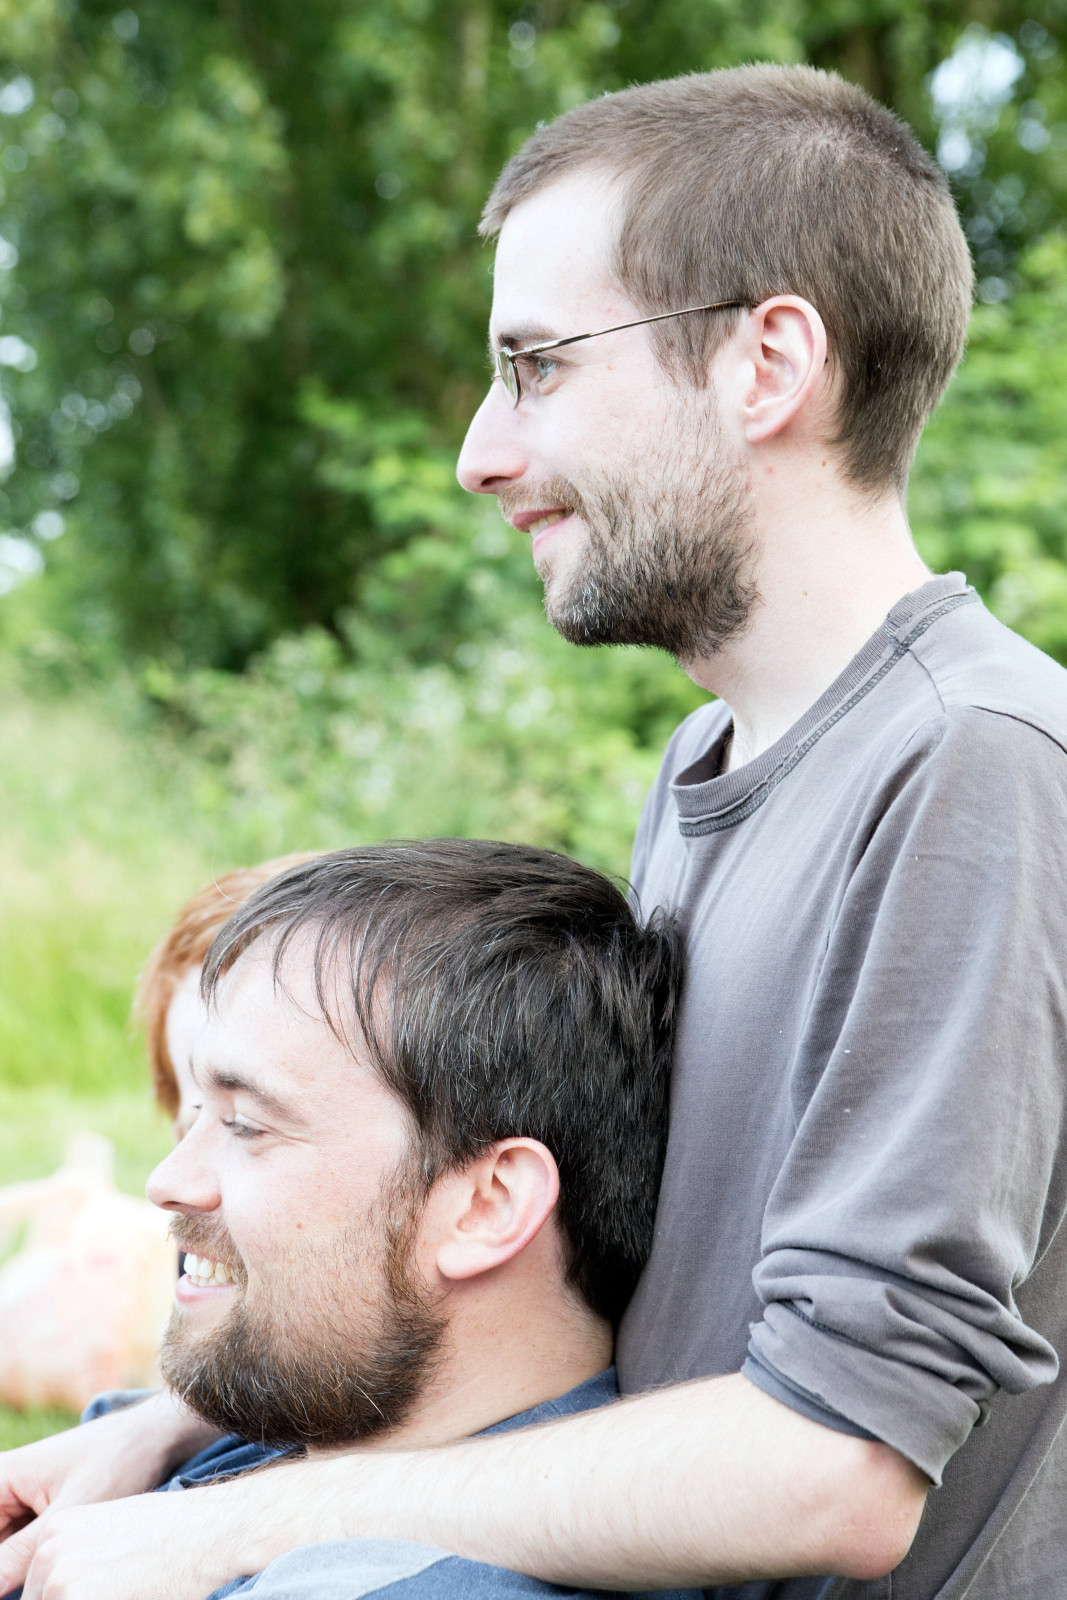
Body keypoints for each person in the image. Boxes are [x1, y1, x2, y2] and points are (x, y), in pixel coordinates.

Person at [2, 60, 1066, 1600]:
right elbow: (607, 1286)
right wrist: (176, 1428)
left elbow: (836, 1463)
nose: (480, 451)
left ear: (764, 364)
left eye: (538, 365)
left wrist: (241, 1525)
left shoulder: (972, 763)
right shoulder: (716, 762)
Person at [4, 840, 690, 1600]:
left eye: (246, 1125)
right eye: (195, 1115)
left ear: (487, 1205)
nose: (167, 1183)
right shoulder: (305, 1407)